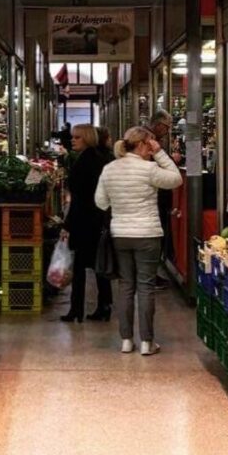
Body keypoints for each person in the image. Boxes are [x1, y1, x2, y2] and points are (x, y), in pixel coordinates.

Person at [95, 125, 183, 356]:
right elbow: (175, 179)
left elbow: (101, 202)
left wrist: (120, 205)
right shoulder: (149, 169)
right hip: (147, 234)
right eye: (151, 144)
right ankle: (147, 342)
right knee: (146, 287)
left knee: (125, 286)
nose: (153, 148)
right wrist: (161, 153)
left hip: (120, 234)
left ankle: (126, 340)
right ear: (143, 144)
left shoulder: (110, 169)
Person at [61, 124, 113, 323]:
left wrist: (67, 224)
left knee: (80, 267)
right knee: (99, 266)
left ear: (88, 139)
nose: (72, 140)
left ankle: (77, 309)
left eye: (77, 137)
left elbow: (80, 199)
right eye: (73, 137)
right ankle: (103, 305)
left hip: (85, 222)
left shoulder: (85, 163)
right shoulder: (97, 159)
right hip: (97, 220)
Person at [149, 110, 175, 289]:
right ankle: (151, 277)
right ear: (158, 125)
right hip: (156, 194)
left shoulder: (151, 139)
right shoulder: (150, 141)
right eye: (166, 127)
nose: (167, 131)